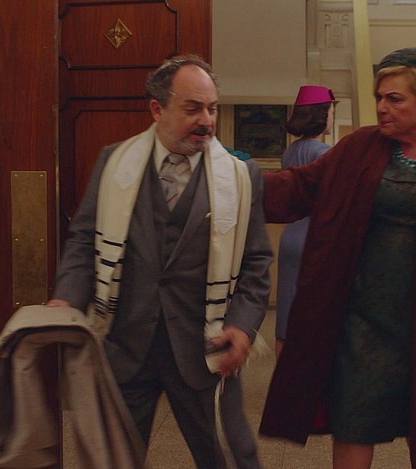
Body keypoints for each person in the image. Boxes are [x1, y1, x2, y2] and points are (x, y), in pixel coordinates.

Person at [258, 47, 416, 469]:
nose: (381, 107)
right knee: (353, 419)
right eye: (379, 97)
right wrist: (237, 180)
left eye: (394, 98)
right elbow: (301, 186)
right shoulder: (359, 148)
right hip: (361, 321)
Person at [47, 54, 273, 469]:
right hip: (126, 344)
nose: (206, 121)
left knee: (231, 457)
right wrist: (67, 299)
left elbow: (256, 261)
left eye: (212, 108)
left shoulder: (241, 177)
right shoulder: (114, 163)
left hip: (206, 348)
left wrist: (242, 325)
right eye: (193, 109)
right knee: (114, 459)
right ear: (157, 109)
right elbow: (83, 241)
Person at [275, 85, 336, 358]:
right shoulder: (325, 154)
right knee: (314, 313)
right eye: (331, 111)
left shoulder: (289, 152)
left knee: (286, 310)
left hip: (289, 237)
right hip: (314, 238)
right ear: (321, 115)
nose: (332, 117)